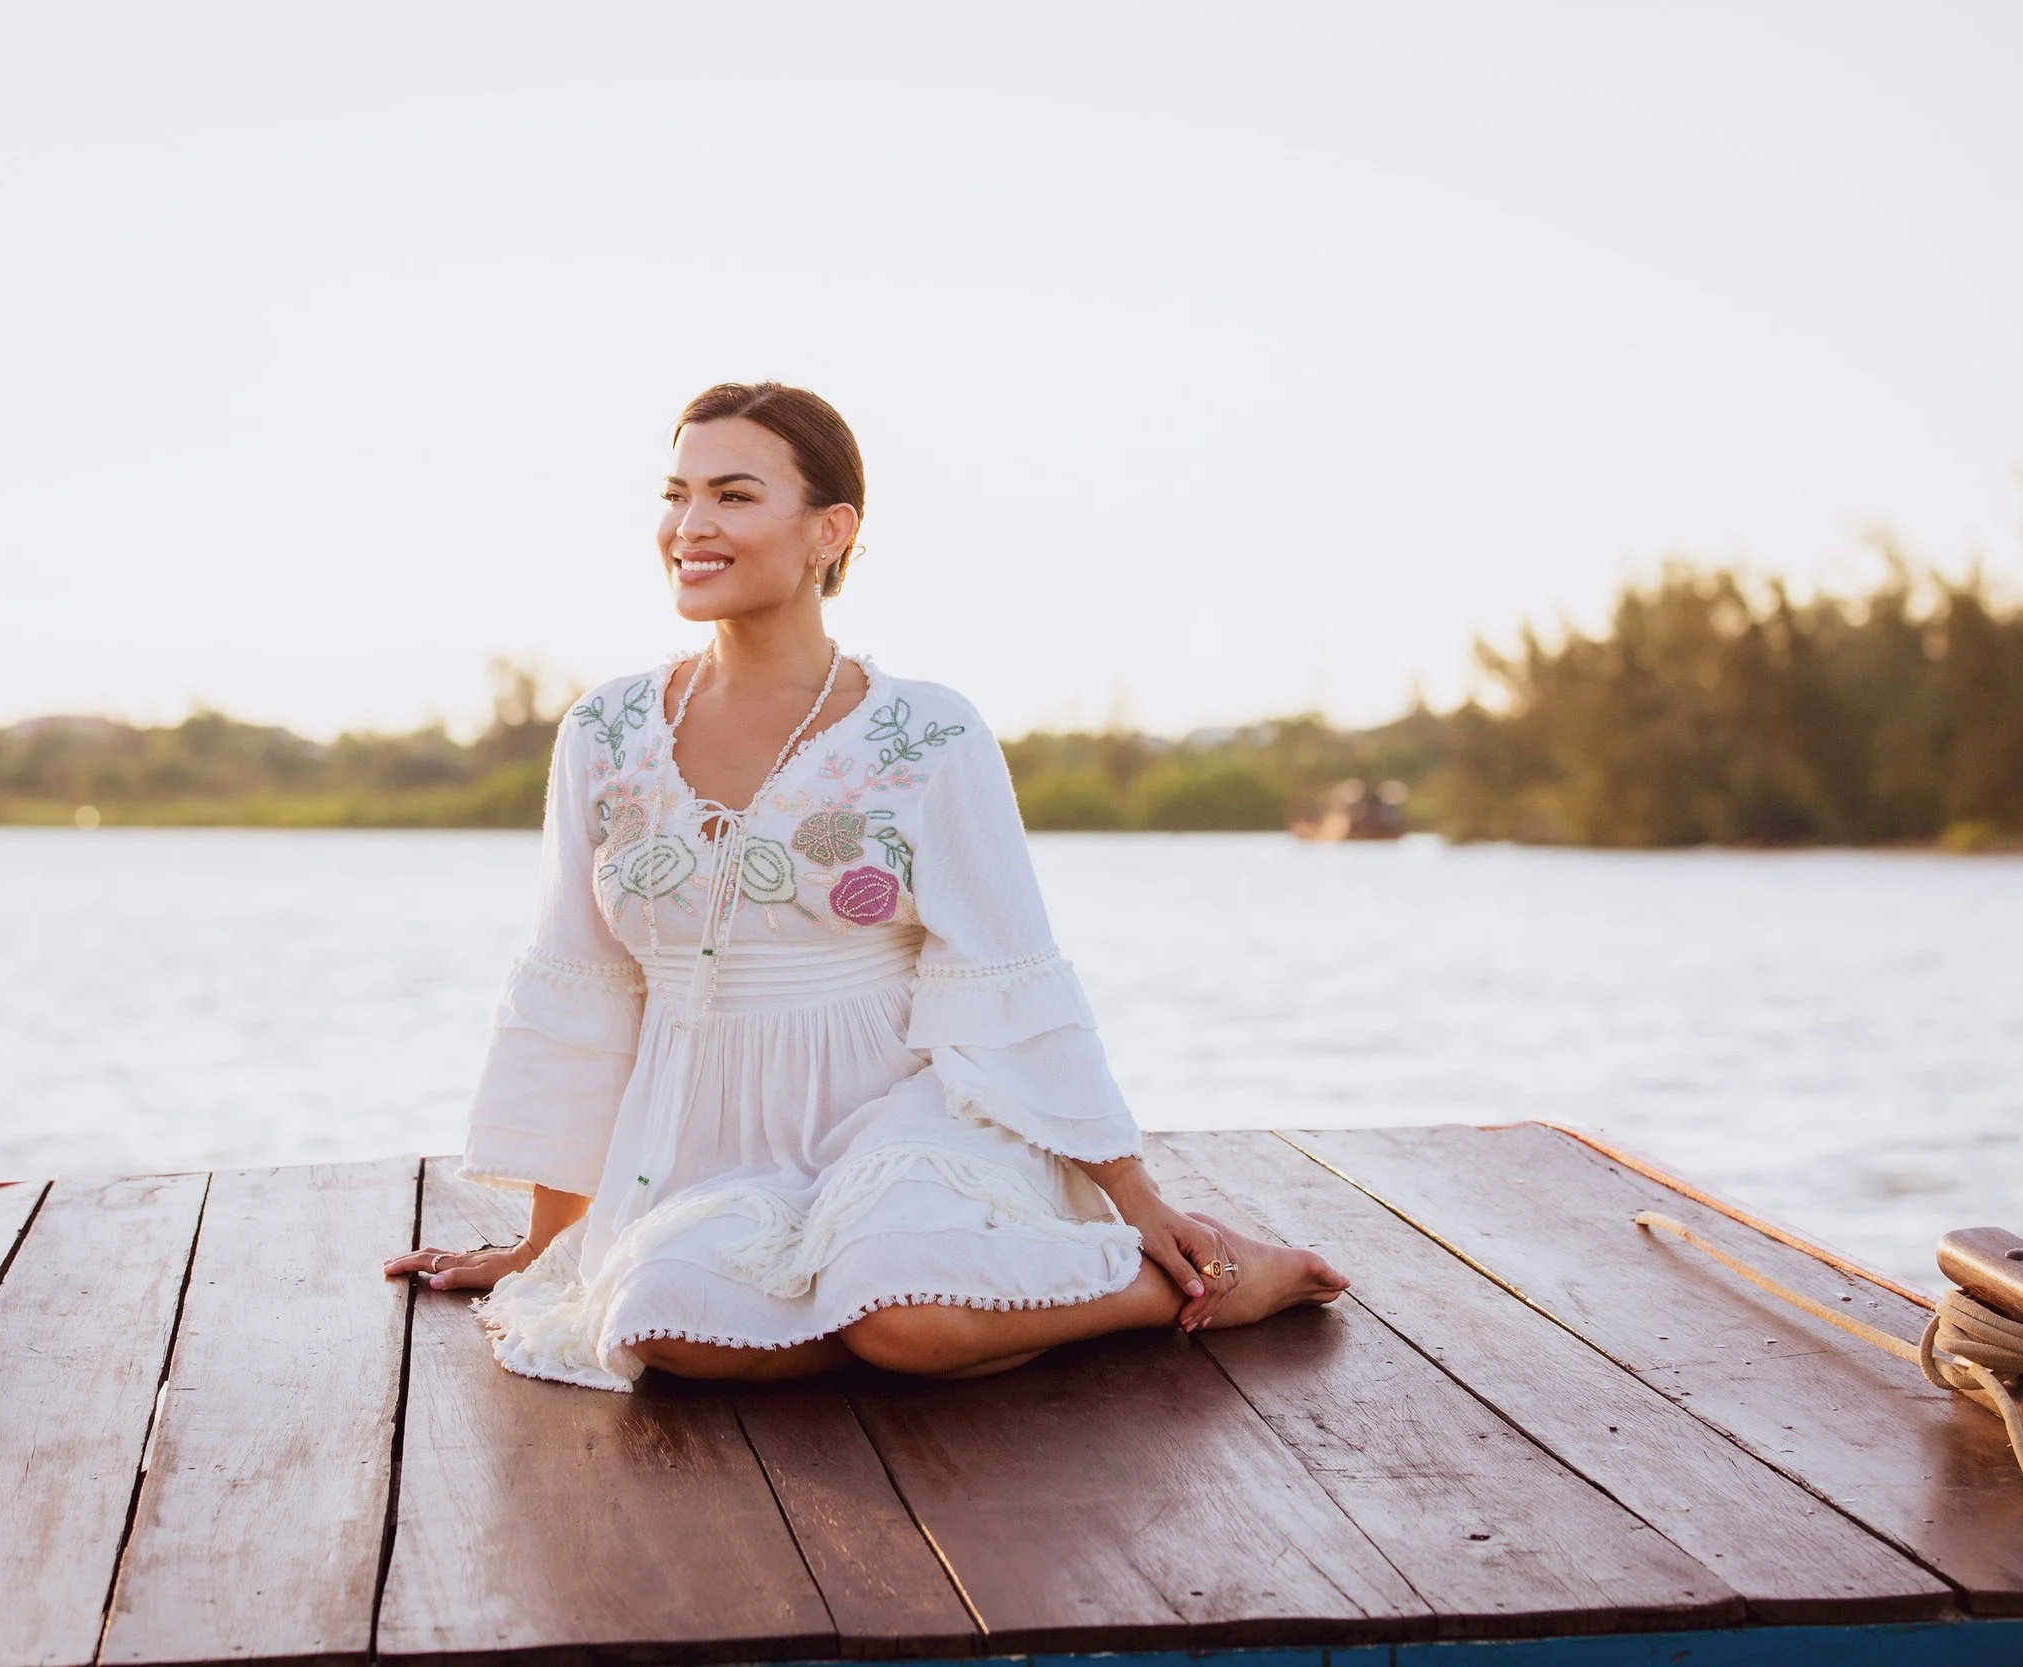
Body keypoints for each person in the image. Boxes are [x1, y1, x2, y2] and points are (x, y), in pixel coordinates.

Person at [381, 381, 1345, 1389]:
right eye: (677, 493)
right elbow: (579, 982)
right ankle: (916, 1319)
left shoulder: (928, 733)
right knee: (654, 1316)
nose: (690, 525)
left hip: (907, 1118)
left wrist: (1138, 1198)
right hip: (701, 1140)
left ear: (828, 531)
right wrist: (547, 1244)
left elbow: (1007, 973)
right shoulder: (608, 730)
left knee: (898, 1304)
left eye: (734, 495)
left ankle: (1197, 1281)